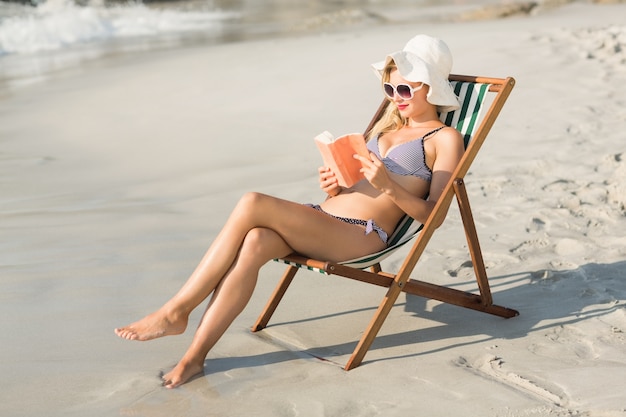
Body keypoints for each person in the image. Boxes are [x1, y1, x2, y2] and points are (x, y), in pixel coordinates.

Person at [114, 34, 465, 388]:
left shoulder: (443, 139)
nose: (395, 99)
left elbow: (434, 216)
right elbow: (357, 186)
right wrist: (336, 184)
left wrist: (388, 185)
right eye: (390, 90)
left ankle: (177, 310)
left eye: (404, 91)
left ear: (430, 89)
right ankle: (193, 359)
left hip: (361, 234)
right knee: (256, 240)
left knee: (252, 201)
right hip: (326, 218)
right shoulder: (387, 127)